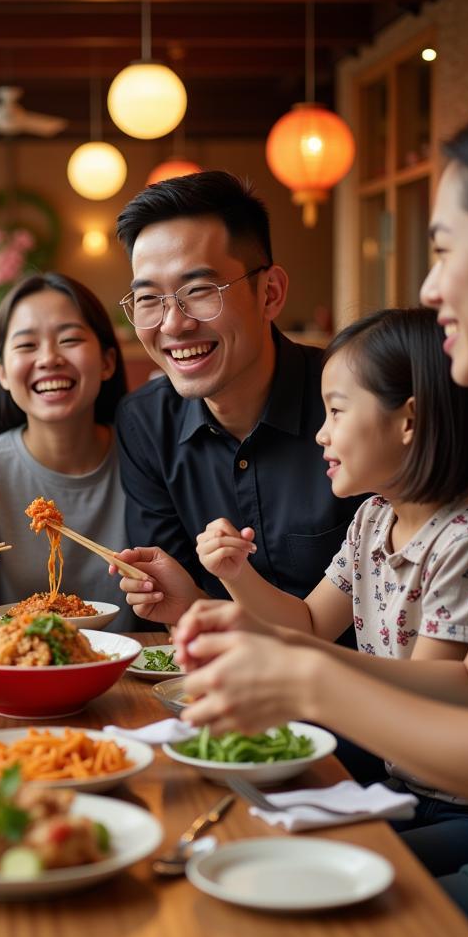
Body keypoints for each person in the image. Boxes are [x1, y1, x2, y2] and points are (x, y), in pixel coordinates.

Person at [173, 88, 468, 937]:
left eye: (445, 251)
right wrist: (271, 648)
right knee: (219, 915)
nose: (427, 287)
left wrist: (308, 676)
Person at [196, 306, 468, 872]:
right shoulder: (372, 519)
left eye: (336, 411)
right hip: (404, 792)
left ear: (408, 421)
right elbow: (310, 624)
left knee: (308, 870)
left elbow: (445, 687)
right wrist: (235, 575)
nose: (320, 432)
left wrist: (300, 663)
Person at [109, 170, 367, 627]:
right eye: (149, 298)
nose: (172, 324)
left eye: (200, 291)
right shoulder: (145, 422)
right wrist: (187, 602)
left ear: (270, 293)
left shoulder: (357, 401)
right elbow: (180, 607)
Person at [0, 273, 133, 629]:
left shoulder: (146, 459)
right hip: (19, 668)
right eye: (27, 345)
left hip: (132, 673)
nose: (49, 358)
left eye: (70, 339)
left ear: (107, 361)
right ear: (1, 372)